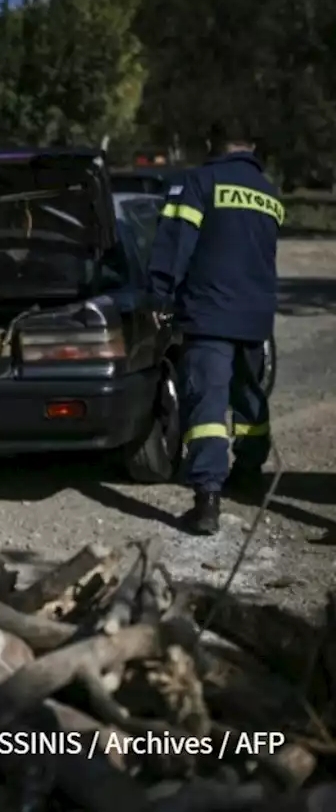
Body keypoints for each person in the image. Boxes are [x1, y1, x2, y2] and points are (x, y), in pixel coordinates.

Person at [148, 118, 281, 535]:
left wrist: (159, 295)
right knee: (249, 397)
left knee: (206, 403)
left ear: (213, 143)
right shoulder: (270, 193)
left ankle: (207, 499)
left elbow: (175, 243)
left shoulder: (199, 182)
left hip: (209, 313)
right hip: (255, 315)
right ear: (251, 146)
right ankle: (248, 472)